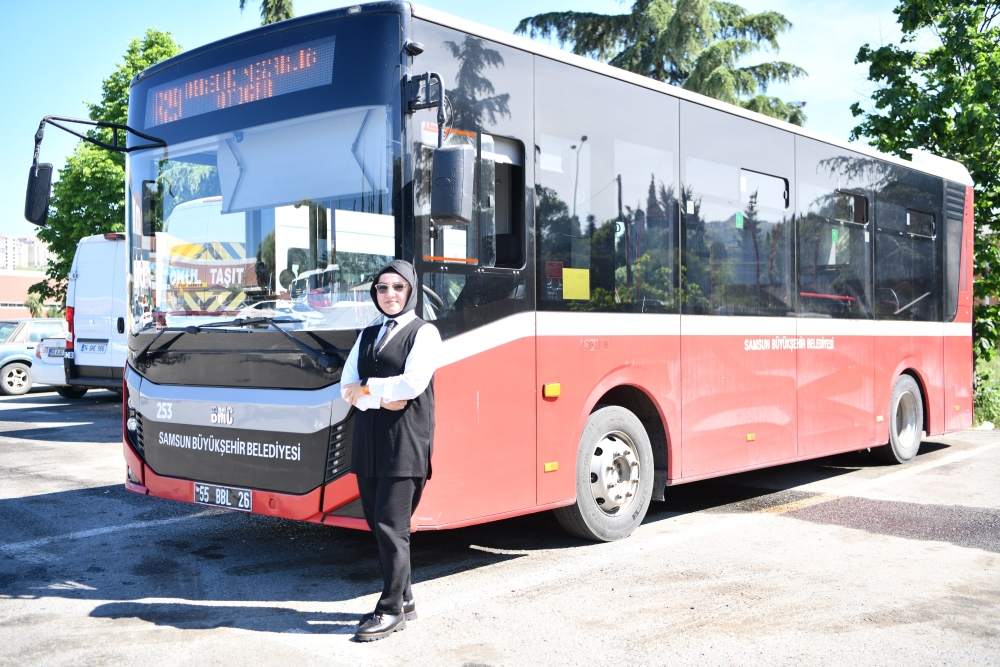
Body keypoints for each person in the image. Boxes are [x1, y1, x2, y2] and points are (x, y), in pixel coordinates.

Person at [341, 259, 442, 642]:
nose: (390, 295)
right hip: (368, 443)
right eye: (382, 288)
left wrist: (367, 391)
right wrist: (377, 396)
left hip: (405, 444)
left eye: (398, 287)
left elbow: (412, 385)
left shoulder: (424, 333)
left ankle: (389, 610)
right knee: (379, 525)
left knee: (390, 525)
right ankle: (407, 598)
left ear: (411, 290)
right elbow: (346, 386)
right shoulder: (367, 333)